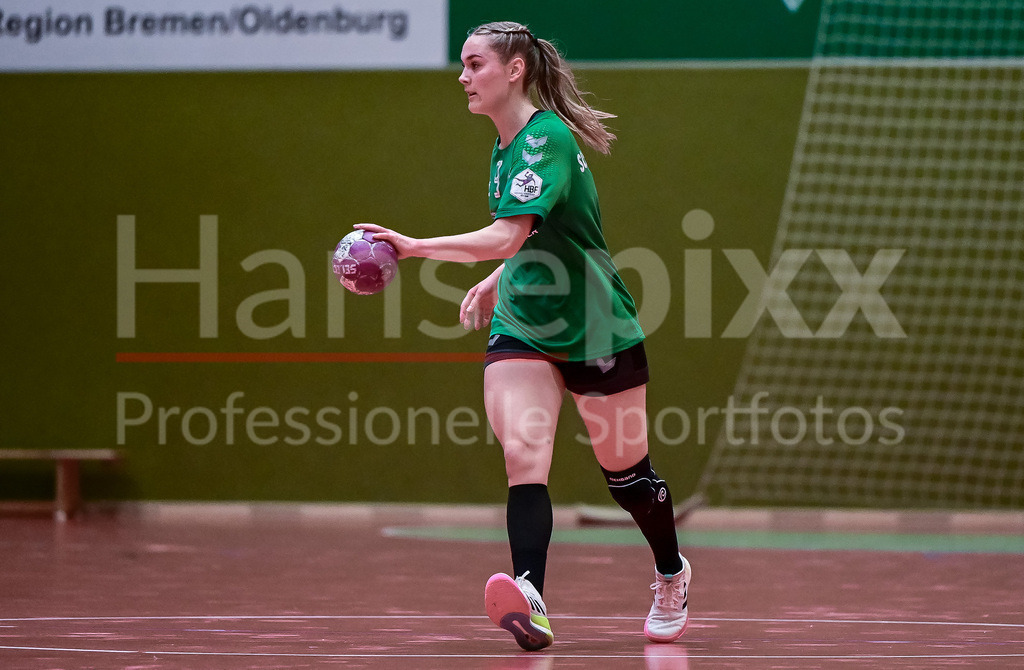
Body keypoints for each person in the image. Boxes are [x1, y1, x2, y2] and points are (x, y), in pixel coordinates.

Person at [355, 20, 690, 651]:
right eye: (462, 64)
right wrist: (499, 280)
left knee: (630, 481)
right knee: (523, 457)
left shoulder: (546, 140)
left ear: (515, 71)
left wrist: (415, 247)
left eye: (475, 64)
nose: (463, 76)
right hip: (524, 325)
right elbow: (532, 235)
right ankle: (530, 594)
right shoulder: (506, 148)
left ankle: (671, 573)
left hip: (596, 328)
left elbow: (510, 234)